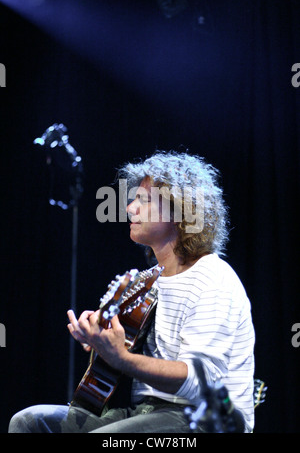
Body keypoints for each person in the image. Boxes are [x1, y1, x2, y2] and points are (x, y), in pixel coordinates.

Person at [8, 151, 255, 433]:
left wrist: (122, 358)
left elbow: (201, 381)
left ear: (180, 210)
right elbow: (116, 351)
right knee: (29, 422)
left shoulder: (213, 277)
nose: (129, 208)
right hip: (146, 411)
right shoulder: (147, 281)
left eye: (144, 200)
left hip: (205, 418)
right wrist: (99, 335)